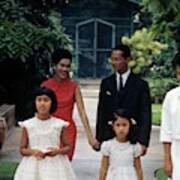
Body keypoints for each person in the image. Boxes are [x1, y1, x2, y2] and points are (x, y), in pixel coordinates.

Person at [41, 48, 97, 160]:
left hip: (68, 132)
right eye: (62, 65)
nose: (65, 69)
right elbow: (40, 111)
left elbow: (82, 112)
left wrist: (90, 138)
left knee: (64, 166)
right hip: (48, 131)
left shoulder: (74, 87)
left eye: (67, 66)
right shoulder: (45, 86)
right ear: (54, 65)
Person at [95, 44, 151, 155]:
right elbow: (101, 111)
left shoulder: (140, 84)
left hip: (132, 136)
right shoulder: (106, 83)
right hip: (110, 136)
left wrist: (143, 141)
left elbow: (145, 114)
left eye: (118, 59)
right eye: (112, 59)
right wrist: (99, 138)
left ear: (127, 59)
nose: (114, 63)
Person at [14, 87, 77, 180]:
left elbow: (68, 146)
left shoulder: (59, 124)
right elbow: (22, 149)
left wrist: (57, 151)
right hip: (32, 164)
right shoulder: (28, 125)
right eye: (39, 100)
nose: (42, 103)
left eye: (46, 100)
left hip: (55, 165)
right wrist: (33, 152)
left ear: (52, 103)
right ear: (34, 103)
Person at [99, 108, 143, 180]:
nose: (121, 128)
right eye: (118, 125)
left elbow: (138, 168)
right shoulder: (108, 145)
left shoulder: (134, 146)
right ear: (113, 126)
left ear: (130, 126)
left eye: (124, 125)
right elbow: (104, 168)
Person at [160, 53, 180, 180]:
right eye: (179, 73)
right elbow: (166, 131)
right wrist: (167, 160)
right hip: (177, 151)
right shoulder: (171, 97)